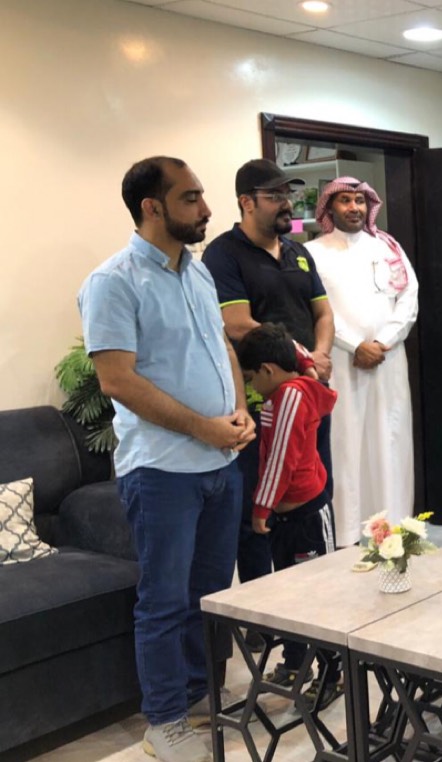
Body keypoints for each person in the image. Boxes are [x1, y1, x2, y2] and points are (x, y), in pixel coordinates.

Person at [79, 156, 254, 762]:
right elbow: (118, 381)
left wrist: (238, 409)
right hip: (161, 471)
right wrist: (205, 427)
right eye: (191, 198)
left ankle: (198, 695)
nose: (207, 209)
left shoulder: (197, 273)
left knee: (208, 594)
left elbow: (222, 347)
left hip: (219, 465)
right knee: (164, 601)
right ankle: (164, 721)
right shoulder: (114, 281)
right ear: (152, 207)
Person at [202, 159, 335, 594]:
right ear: (246, 202)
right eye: (275, 196)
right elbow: (238, 324)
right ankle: (264, 610)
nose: (286, 204)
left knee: (313, 493)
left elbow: (323, 313)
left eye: (287, 195)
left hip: (307, 396)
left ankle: (315, 600)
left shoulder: (299, 252)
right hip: (262, 402)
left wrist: (320, 354)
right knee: (258, 510)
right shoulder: (223, 254)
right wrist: (302, 357)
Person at [305, 178, 419, 546]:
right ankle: (346, 534)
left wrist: (382, 342)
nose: (353, 207)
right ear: (329, 208)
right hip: (341, 362)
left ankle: (393, 529)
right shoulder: (311, 253)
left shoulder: (387, 248)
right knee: (344, 443)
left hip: (388, 361)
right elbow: (317, 311)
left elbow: (409, 300)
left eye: (359, 200)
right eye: (344, 200)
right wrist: (355, 345)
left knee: (390, 440)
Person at [235, 323, 343, 710]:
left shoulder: (292, 396)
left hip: (306, 518)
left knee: (318, 596)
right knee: (291, 597)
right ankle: (297, 664)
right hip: (285, 519)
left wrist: (261, 508)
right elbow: (296, 347)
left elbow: (281, 459)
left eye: (251, 378)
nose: (251, 388)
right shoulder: (292, 387)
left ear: (268, 369)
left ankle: (332, 673)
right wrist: (302, 358)